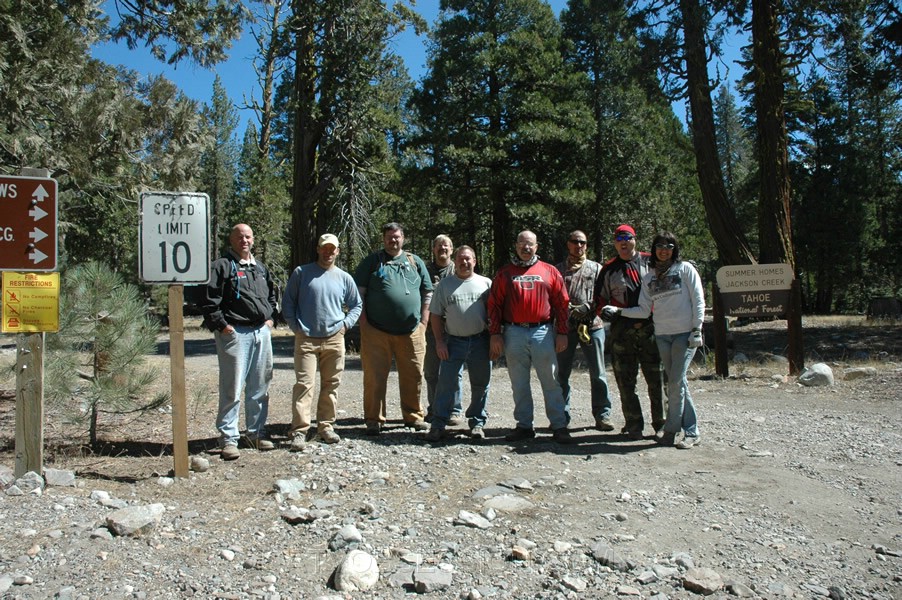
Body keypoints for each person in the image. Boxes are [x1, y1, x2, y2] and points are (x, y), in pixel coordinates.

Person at [603, 232, 705, 449]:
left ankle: (681, 431)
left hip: (685, 334)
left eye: (669, 246)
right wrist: (619, 311)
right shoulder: (649, 278)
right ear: (654, 249)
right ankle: (681, 430)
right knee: (678, 382)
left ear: (674, 249)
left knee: (676, 381)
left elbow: (698, 299)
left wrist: (697, 328)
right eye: (659, 246)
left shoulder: (686, 269)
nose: (664, 249)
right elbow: (642, 310)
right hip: (662, 336)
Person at [488, 230, 574, 444]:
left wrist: (562, 332)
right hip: (513, 332)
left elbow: (562, 304)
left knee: (551, 380)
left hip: (543, 331)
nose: (526, 248)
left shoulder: (549, 271)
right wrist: (495, 334)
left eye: (530, 244)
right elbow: (494, 305)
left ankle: (559, 425)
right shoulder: (505, 273)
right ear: (516, 246)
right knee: (519, 382)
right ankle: (524, 426)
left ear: (537, 247)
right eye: (522, 244)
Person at [202, 223, 278, 460]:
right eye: (239, 237)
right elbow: (208, 300)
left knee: (260, 386)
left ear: (253, 239)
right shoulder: (222, 266)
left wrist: (271, 320)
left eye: (248, 237)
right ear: (231, 240)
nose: (244, 241)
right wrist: (223, 326)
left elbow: (272, 294)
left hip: (260, 332)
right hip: (235, 334)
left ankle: (255, 433)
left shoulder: (260, 268)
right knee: (232, 387)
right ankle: (228, 439)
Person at [282, 233, 363, 450]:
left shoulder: (344, 277)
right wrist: (295, 327)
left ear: (337, 251)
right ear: (318, 249)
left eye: (332, 249)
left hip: (334, 338)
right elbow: (288, 302)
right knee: (304, 385)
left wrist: (346, 325)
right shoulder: (302, 273)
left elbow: (356, 304)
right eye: (324, 248)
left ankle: (326, 426)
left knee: (331, 384)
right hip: (306, 339)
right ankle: (299, 431)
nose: (328, 252)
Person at [354, 223, 433, 435]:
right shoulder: (372, 262)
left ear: (403, 238)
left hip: (412, 331)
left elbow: (428, 292)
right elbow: (357, 295)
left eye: (397, 237)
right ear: (383, 239)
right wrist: (363, 322)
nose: (393, 240)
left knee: (413, 374)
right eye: (389, 237)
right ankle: (374, 419)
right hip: (376, 331)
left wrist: (424, 322)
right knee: (374, 376)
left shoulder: (415, 262)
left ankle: (413, 416)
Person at [595, 224, 665, 440]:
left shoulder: (652, 262)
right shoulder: (609, 269)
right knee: (625, 381)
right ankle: (634, 424)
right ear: (615, 244)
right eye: (619, 239)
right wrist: (603, 311)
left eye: (627, 238)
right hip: (622, 331)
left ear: (635, 239)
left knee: (656, 379)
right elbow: (599, 299)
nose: (623, 243)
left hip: (652, 329)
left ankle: (661, 424)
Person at [426, 246, 493, 442]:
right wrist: (439, 342)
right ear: (455, 262)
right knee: (446, 383)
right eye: (461, 259)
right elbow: (436, 315)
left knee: (481, 384)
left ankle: (477, 423)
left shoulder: (486, 283)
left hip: (481, 340)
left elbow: (494, 315)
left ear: (475, 261)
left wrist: (496, 339)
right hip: (453, 341)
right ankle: (438, 423)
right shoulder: (445, 285)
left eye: (468, 259)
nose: (464, 263)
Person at [555, 230, 614, 431]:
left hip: (593, 326)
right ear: (568, 244)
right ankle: (561, 416)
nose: (578, 246)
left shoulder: (597, 269)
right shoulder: (557, 270)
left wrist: (590, 307)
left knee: (598, 372)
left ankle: (602, 415)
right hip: (565, 328)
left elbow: (605, 295)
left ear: (586, 246)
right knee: (561, 374)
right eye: (574, 242)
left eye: (582, 242)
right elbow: (552, 297)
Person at [424, 234, 463, 424]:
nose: (442, 249)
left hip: (454, 328)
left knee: (454, 371)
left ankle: (454, 409)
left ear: (451, 248)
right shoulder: (423, 270)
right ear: (433, 249)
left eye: (446, 245)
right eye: (439, 245)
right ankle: (434, 408)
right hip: (430, 328)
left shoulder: (458, 270)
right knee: (431, 372)